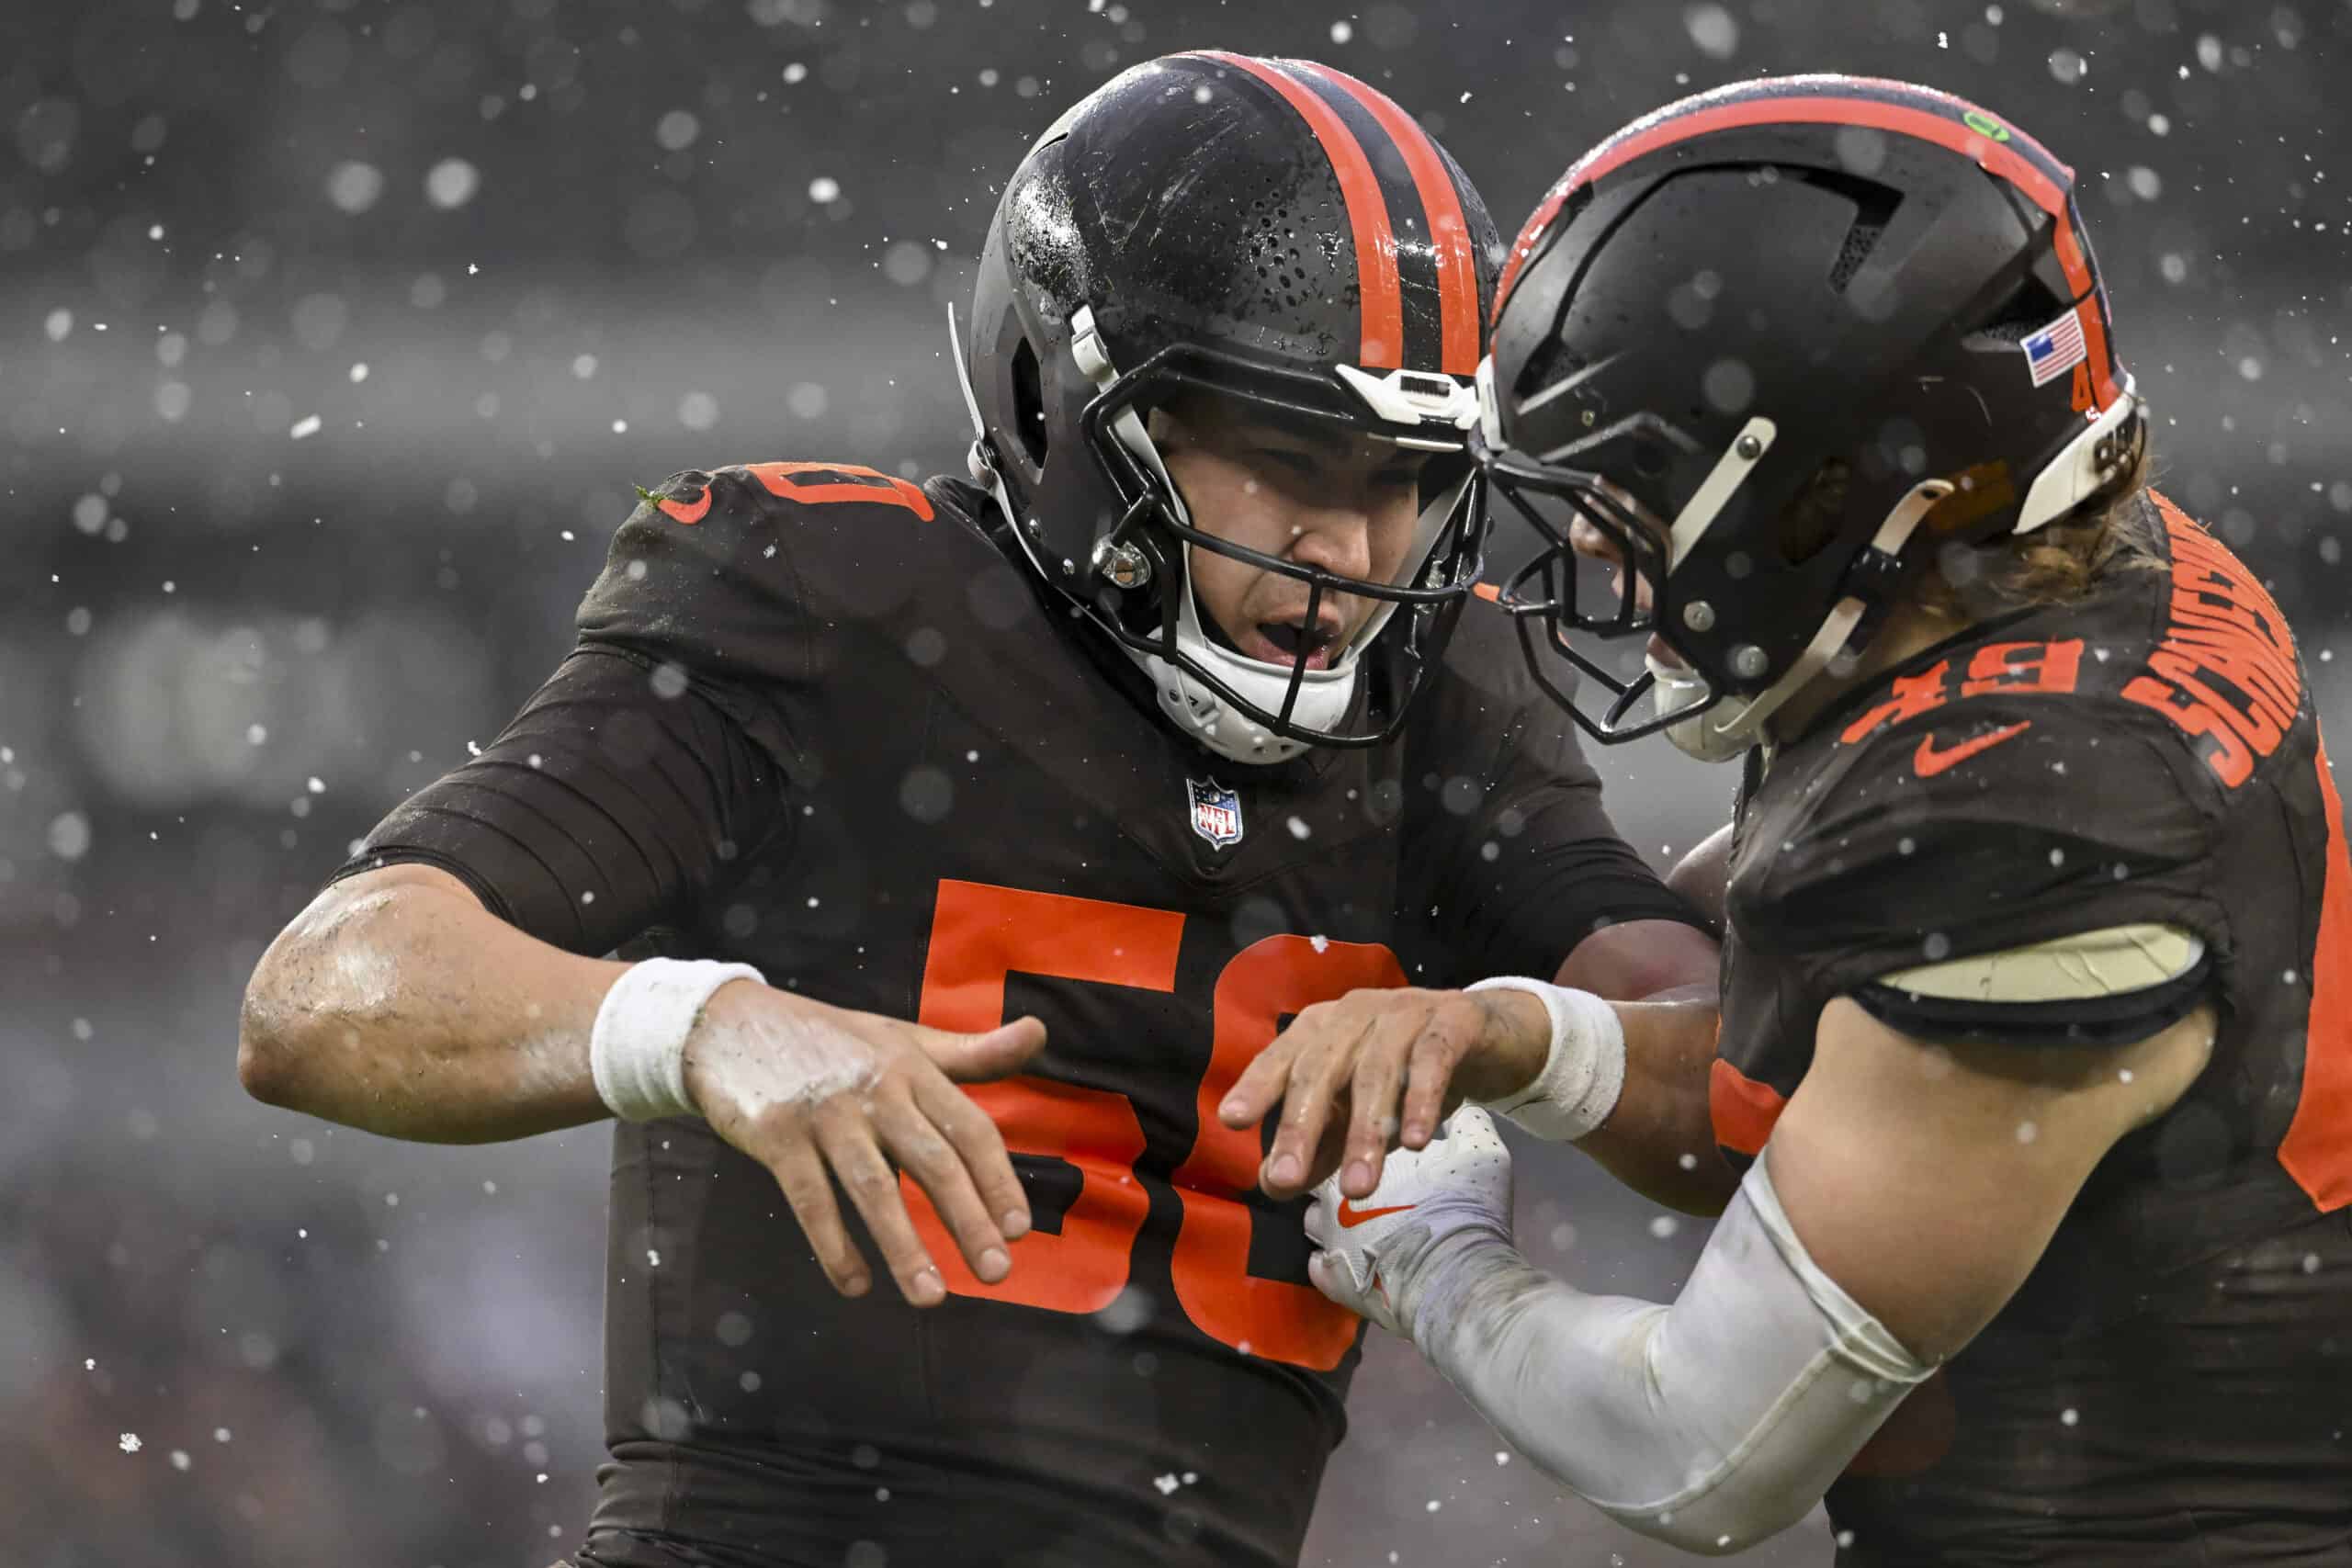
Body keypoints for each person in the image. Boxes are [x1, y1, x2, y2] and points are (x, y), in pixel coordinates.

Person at [234, 51, 1717, 1568]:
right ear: (1061, 406)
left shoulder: (1440, 689)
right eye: (1287, 461)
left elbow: (1733, 1078)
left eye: (1404, 478)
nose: (1349, 545)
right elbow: (325, 992)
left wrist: (1521, 1036)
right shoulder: (837, 604)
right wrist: (705, 1030)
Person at [1221, 75, 2352, 1562]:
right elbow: (1822, 1056)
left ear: (1832, 490)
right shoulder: (2008, 570)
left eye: (1629, 494)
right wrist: (1515, 1038)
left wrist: (1429, 1256)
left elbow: (1699, 1453)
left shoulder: (2034, 827)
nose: (1592, 559)